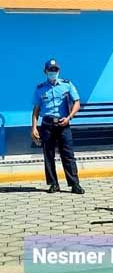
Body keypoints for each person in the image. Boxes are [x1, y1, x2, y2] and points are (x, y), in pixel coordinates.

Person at [31, 59, 83, 194]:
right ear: (45, 71)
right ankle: (53, 183)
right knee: (48, 155)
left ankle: (74, 184)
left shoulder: (67, 85)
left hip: (63, 124)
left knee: (68, 155)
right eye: (50, 70)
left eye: (55, 70)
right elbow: (36, 109)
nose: (53, 72)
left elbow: (77, 102)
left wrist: (70, 117)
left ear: (58, 71)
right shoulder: (40, 89)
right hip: (47, 125)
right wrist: (34, 127)